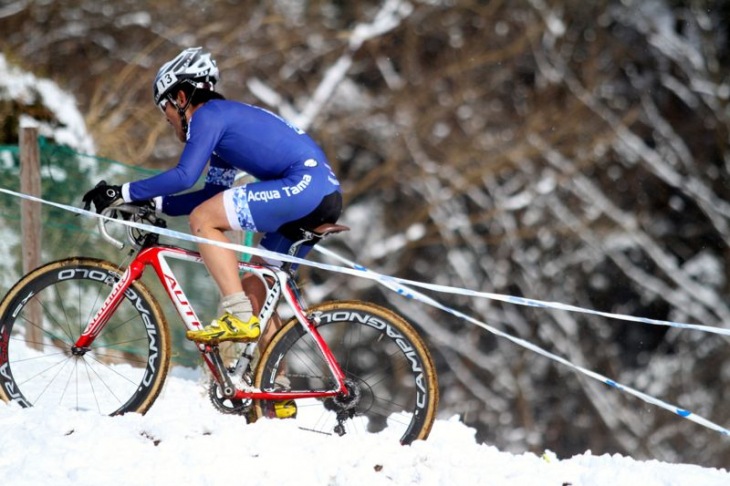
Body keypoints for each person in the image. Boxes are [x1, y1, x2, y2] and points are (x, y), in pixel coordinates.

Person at [82, 47, 342, 350]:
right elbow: (212, 194)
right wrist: (153, 203)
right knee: (258, 287)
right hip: (323, 195)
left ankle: (237, 316)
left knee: (204, 220)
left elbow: (184, 176)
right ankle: (277, 390)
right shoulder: (224, 126)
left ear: (180, 98)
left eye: (163, 106)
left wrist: (122, 192)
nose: (165, 118)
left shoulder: (207, 116)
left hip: (305, 187)